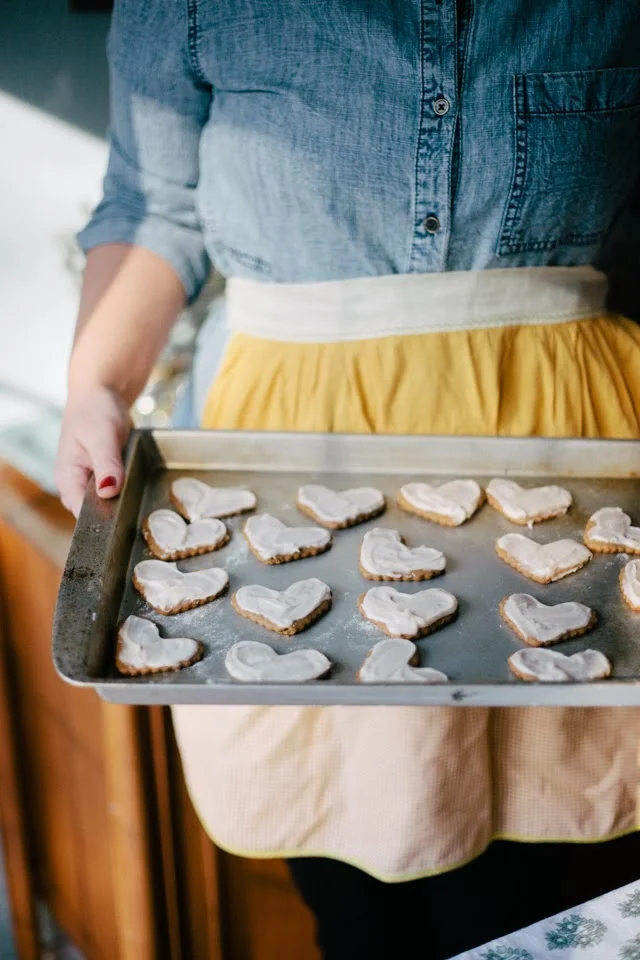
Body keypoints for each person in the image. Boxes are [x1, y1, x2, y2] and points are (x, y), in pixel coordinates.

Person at [55, 2, 640, 956]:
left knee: (531, 897)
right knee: (356, 887)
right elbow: (152, 207)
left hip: (569, 448)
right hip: (299, 451)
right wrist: (95, 389)